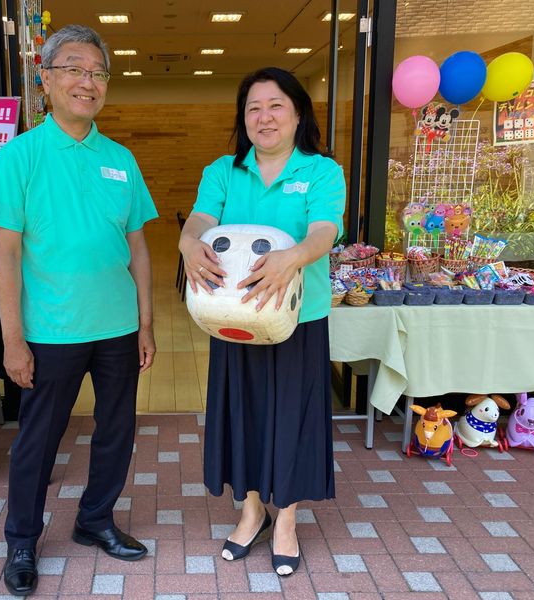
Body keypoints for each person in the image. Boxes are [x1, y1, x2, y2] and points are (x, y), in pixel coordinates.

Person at [0, 24, 158, 597]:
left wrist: (147, 322)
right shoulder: (20, 156)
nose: (88, 81)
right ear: (46, 78)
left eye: (98, 72)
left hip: (117, 328)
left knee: (116, 433)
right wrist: (12, 339)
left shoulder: (120, 159)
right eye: (75, 69)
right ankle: (23, 540)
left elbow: (137, 246)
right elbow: (5, 255)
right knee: (39, 439)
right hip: (50, 330)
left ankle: (95, 520)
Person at [179, 67, 346, 577]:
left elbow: (325, 232)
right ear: (243, 119)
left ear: (298, 114)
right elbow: (202, 221)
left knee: (292, 418)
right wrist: (188, 242)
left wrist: (293, 256)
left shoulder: (321, 171)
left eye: (276, 106)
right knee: (244, 414)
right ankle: (251, 511)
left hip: (298, 320)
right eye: (254, 108)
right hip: (234, 319)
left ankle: (288, 517)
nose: (264, 117)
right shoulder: (224, 172)